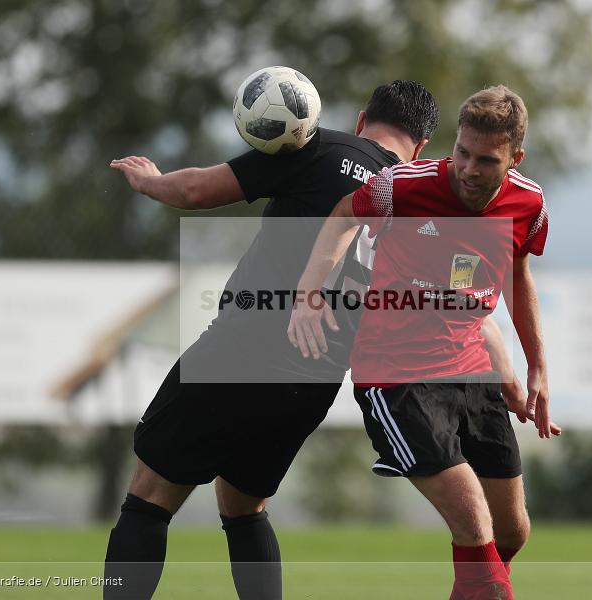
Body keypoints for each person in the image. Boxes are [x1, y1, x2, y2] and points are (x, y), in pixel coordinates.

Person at [104, 80, 441, 600]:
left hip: (244, 350)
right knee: (243, 509)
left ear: (360, 120)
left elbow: (195, 191)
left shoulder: (321, 148)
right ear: (420, 147)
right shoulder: (417, 199)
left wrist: (150, 182)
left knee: (148, 496)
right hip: (317, 379)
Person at [288, 85, 557, 600]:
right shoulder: (403, 187)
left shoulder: (530, 204)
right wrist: (309, 294)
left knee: (511, 532)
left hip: (471, 372)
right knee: (475, 526)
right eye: (461, 153)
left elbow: (518, 276)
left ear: (514, 158)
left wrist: (536, 367)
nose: (468, 169)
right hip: (398, 378)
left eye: (486, 160)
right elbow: (345, 214)